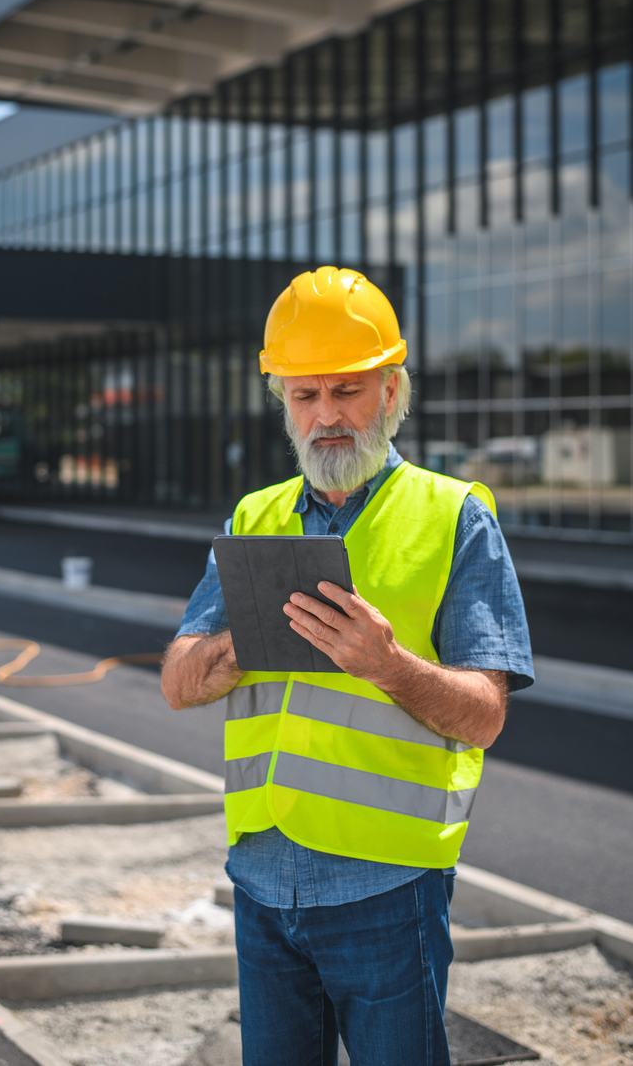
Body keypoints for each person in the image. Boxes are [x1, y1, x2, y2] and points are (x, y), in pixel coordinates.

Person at [161, 265, 533, 1066]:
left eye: (348, 391)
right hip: (262, 878)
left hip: (388, 888)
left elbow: (485, 712)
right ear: (283, 403)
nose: (327, 415)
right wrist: (242, 645)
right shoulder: (252, 519)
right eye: (305, 395)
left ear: (392, 392)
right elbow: (178, 680)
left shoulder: (454, 516)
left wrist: (388, 663)